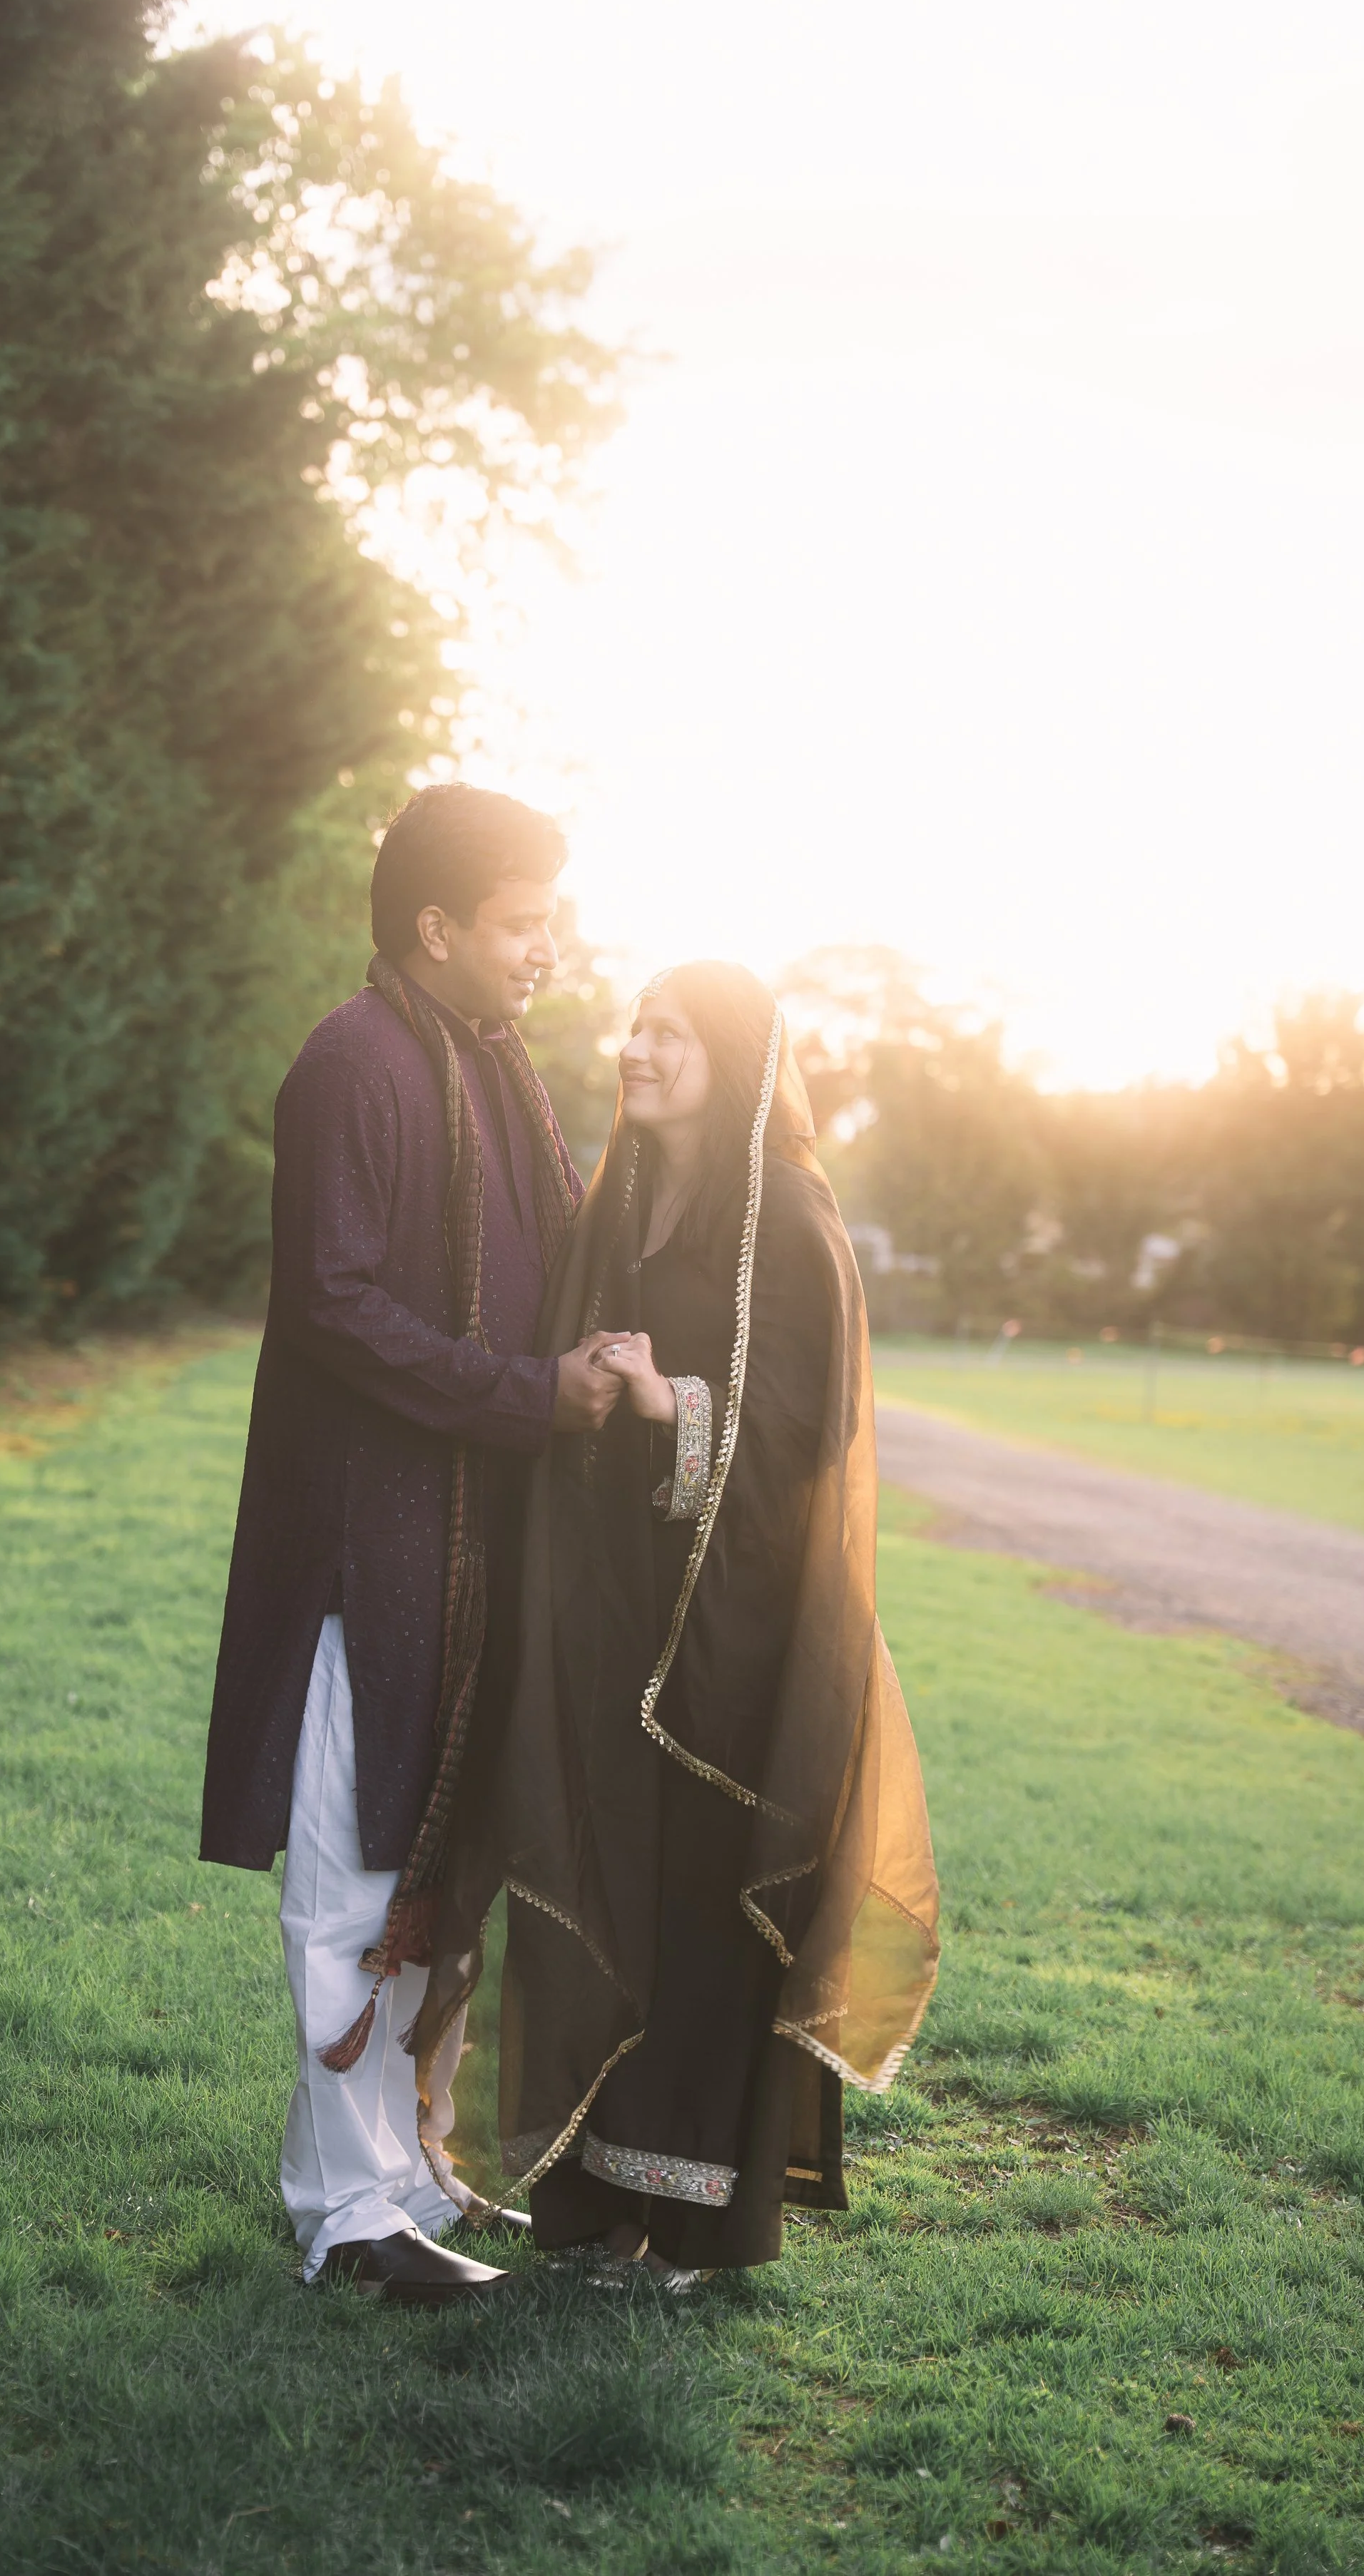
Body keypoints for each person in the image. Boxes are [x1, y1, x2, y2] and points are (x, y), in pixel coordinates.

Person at [412, 962, 940, 2281]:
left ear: (739, 1061)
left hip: (733, 1641)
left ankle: (699, 2225)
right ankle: (597, 2200)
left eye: (669, 1034)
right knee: (597, 1871)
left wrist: (670, 1409)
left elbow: (806, 1445)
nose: (635, 1049)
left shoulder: (797, 1227)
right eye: (635, 1025)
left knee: (706, 1904)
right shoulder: (624, 1207)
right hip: (611, 1618)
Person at [198, 784, 625, 2307]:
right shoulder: (354, 1063)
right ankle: (345, 2212)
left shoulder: (491, 1069)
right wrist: (531, 1398)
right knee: (353, 1877)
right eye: (524, 923)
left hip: (458, 1541)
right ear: (435, 928)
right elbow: (333, 1302)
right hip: (359, 1551)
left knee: (426, 1872)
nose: (548, 951)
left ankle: (405, 2173)